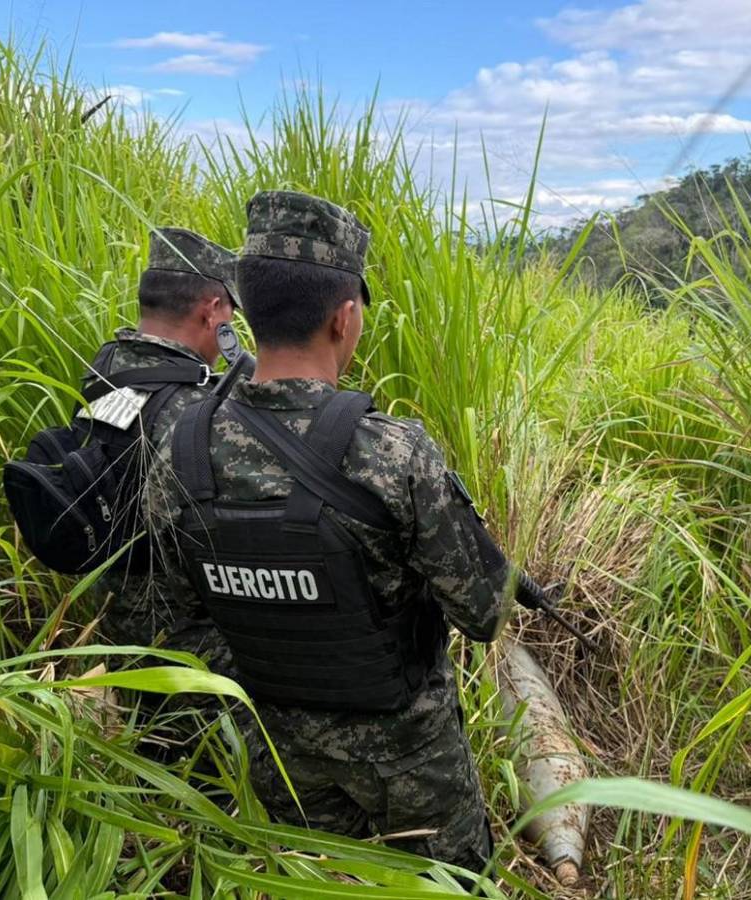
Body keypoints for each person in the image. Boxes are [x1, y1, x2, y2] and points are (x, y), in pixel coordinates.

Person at [144, 191, 514, 871]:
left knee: (317, 880)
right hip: (412, 765)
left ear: (249, 311)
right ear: (344, 318)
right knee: (452, 886)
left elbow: (175, 615)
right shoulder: (393, 453)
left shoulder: (181, 448)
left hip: (277, 759)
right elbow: (485, 611)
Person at [87, 227, 239, 666]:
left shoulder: (108, 364)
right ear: (211, 312)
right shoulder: (196, 408)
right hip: (179, 642)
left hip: (109, 614)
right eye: (230, 316)